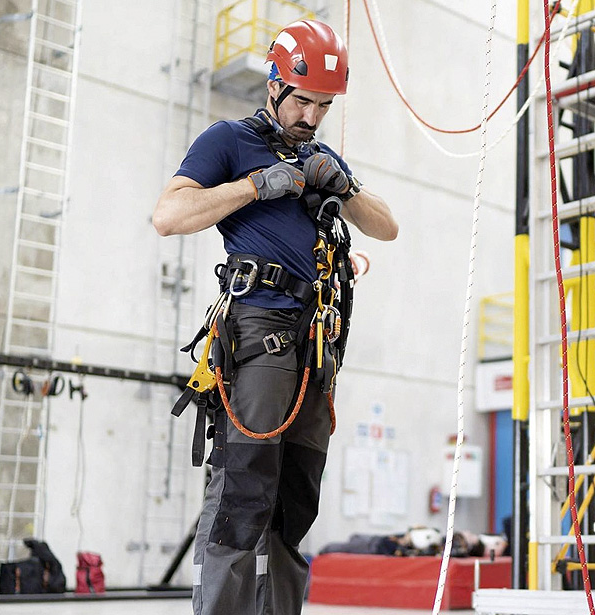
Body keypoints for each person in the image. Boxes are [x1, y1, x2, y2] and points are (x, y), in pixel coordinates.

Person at [152, 19, 398, 615]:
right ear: (274, 86)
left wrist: (346, 186)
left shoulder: (321, 155)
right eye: (304, 101)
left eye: (324, 105)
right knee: (243, 491)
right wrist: (257, 186)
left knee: (294, 504)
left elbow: (385, 227)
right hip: (260, 333)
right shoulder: (230, 140)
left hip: (317, 348)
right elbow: (169, 215)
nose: (312, 116)